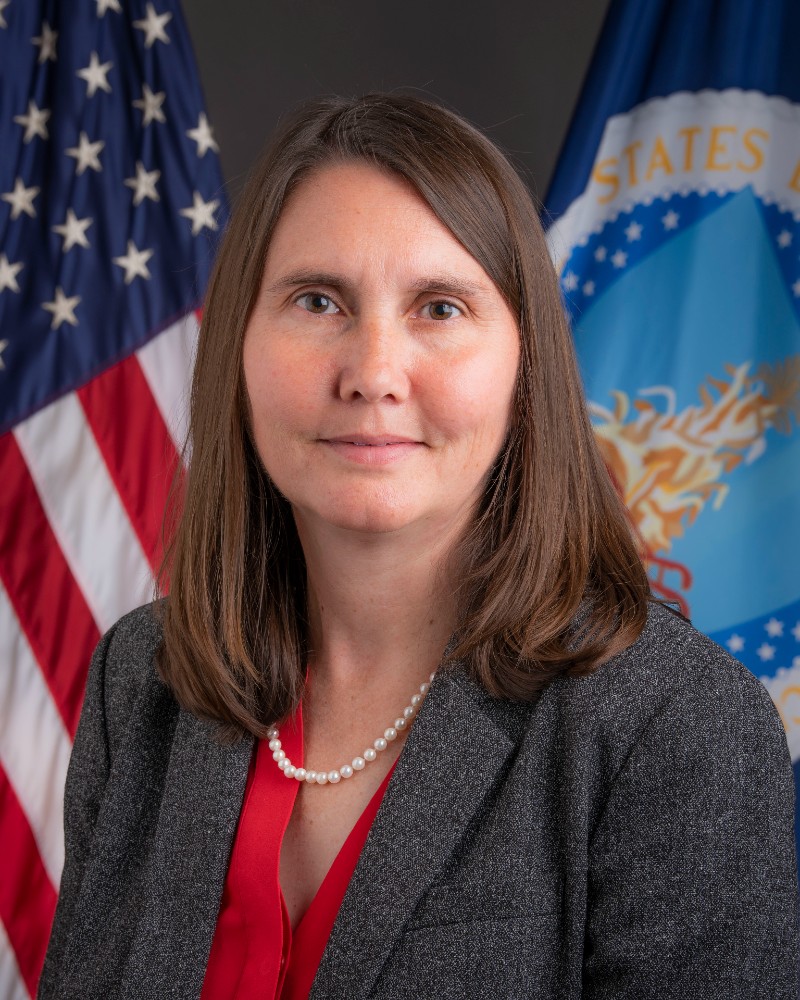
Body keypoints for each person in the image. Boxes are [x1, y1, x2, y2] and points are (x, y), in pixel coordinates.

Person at [39, 93, 798, 1000]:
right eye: (318, 301)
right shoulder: (145, 680)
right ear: (237, 344)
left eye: (439, 307)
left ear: (525, 365)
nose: (373, 374)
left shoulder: (673, 728)